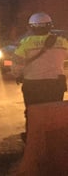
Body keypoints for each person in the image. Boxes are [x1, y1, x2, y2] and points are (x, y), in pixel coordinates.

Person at [12, 12, 68, 142]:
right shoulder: (62, 42)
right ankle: (53, 141)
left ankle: (32, 141)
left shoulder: (25, 43)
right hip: (55, 85)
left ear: (31, 27)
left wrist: (18, 75)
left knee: (32, 114)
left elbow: (16, 65)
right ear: (50, 26)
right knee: (53, 113)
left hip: (33, 85)